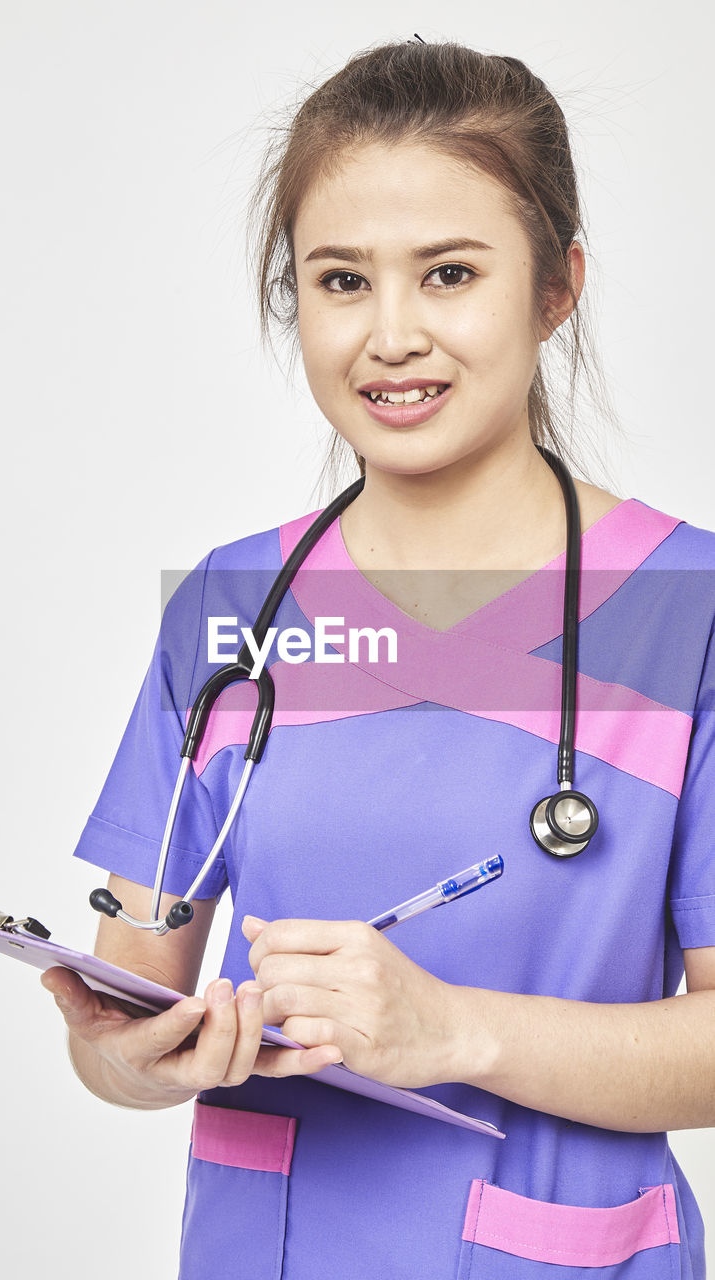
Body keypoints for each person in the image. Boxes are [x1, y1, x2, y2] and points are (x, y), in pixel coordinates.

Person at [41, 37, 715, 1279]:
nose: (389, 335)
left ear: (555, 286)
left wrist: (449, 1027)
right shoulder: (233, 606)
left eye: (448, 272)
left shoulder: (689, 609)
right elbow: (124, 1014)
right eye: (341, 280)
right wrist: (123, 1053)